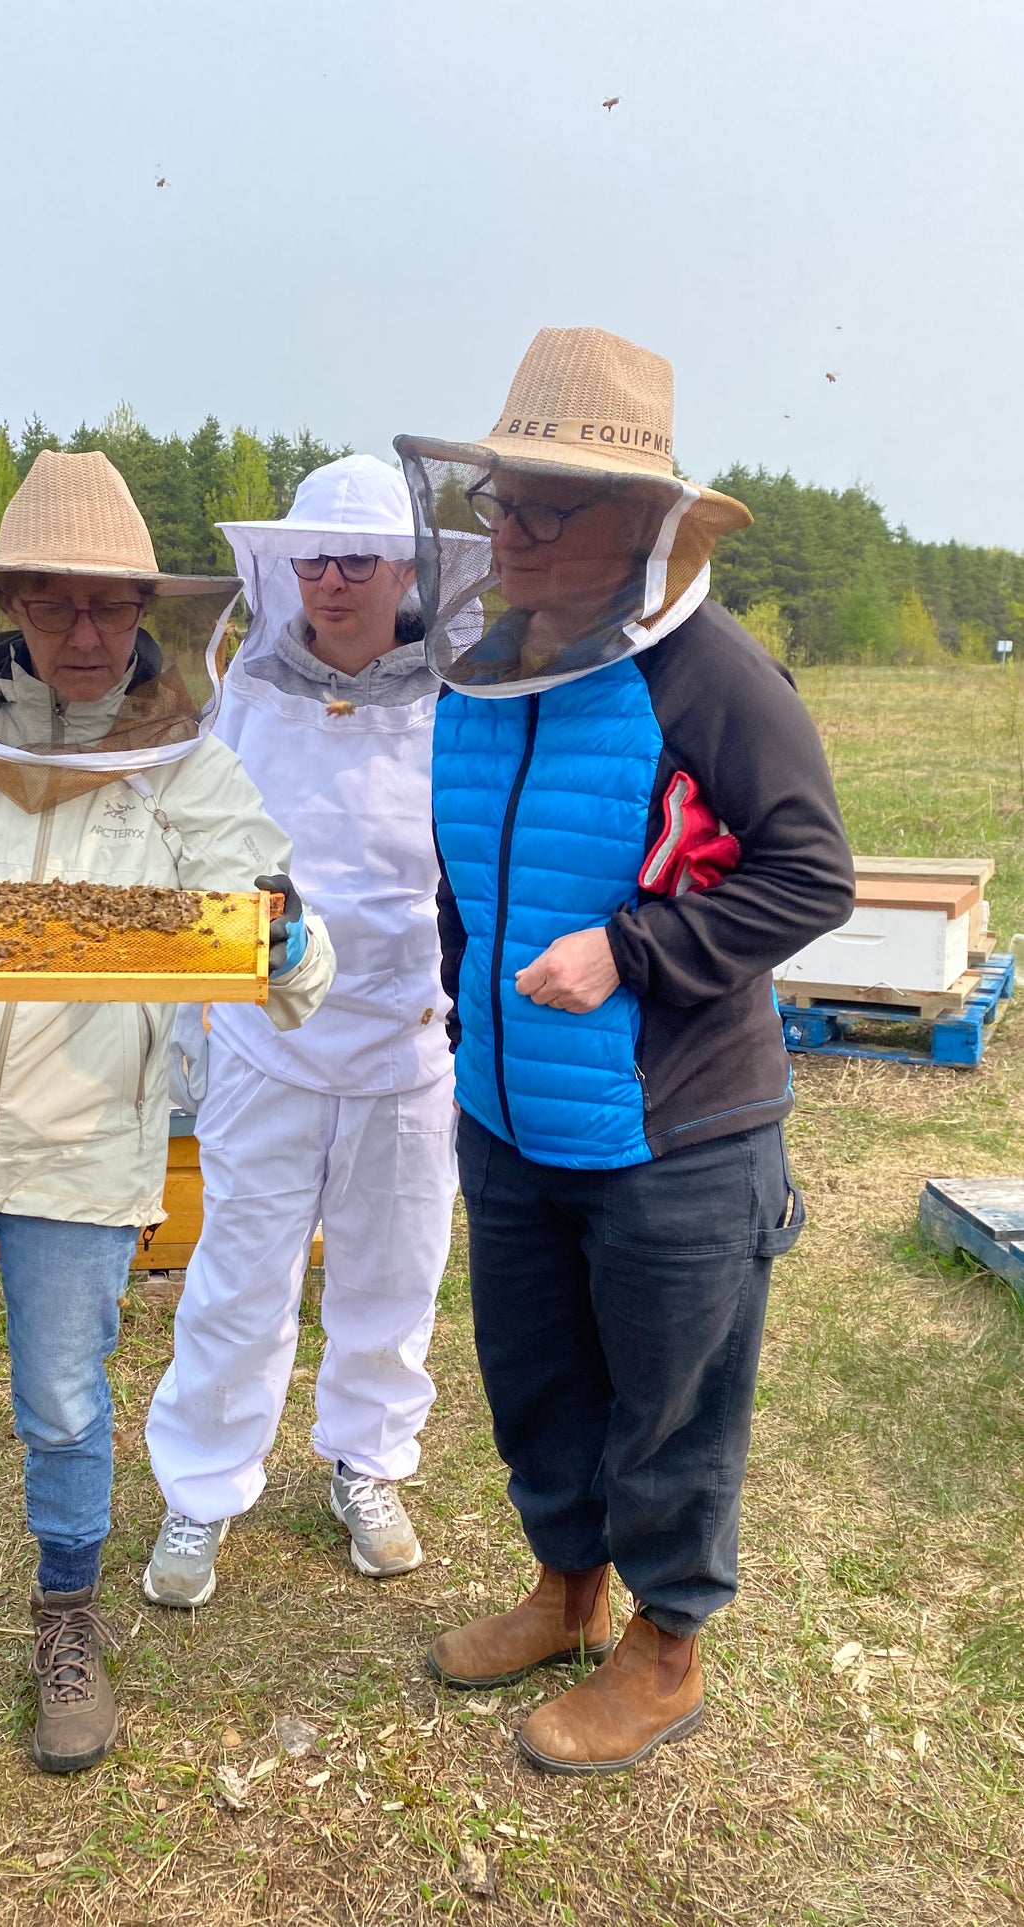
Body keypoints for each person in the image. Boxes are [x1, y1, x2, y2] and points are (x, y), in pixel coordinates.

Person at [0, 451, 334, 1786]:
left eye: (110, 609)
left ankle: (66, 1624)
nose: (86, 636)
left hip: (85, 1141)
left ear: (148, 612)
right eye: (56, 606)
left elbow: (273, 927)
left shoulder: (181, 770)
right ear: (10, 605)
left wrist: (287, 939)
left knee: (65, 1405)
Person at [393, 328, 854, 1775]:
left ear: (639, 523)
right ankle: (564, 1589)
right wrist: (470, 1013)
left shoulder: (712, 673)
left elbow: (809, 870)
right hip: (509, 1114)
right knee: (535, 1373)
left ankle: (663, 1651)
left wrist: (635, 948)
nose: (512, 531)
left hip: (678, 1133)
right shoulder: (481, 676)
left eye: (551, 505)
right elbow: (473, 882)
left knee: (670, 1398)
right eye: (502, 502)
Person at [142, 455, 457, 1606]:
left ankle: (366, 1467)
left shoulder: (451, 699)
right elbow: (193, 854)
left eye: (357, 558)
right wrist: (191, 1011)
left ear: (404, 570)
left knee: (394, 1271)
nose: (331, 579)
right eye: (312, 556)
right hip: (266, 1038)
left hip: (410, 1039)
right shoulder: (244, 694)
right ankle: (199, 1488)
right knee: (236, 1274)